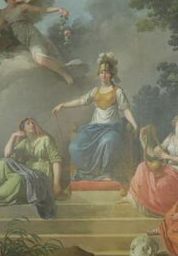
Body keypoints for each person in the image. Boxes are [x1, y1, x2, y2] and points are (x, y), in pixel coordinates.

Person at [53, 53, 138, 182]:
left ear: (111, 74)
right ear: (99, 74)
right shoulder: (95, 91)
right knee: (74, 147)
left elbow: (125, 109)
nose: (104, 75)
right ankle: (85, 173)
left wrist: (135, 124)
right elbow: (81, 101)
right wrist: (63, 105)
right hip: (93, 129)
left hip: (111, 129)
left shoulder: (117, 91)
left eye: (107, 72)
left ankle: (105, 173)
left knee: (108, 142)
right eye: (101, 72)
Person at [0, 117, 60, 215]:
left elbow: (56, 161)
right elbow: (7, 155)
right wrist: (13, 136)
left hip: (41, 177)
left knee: (18, 178)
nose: (31, 125)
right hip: (28, 173)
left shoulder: (45, 139)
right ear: (23, 129)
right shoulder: (25, 143)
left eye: (33, 123)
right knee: (2, 162)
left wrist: (56, 184)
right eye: (28, 123)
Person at [124, 116, 178, 217]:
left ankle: (153, 207)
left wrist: (168, 156)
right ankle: (132, 197)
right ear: (175, 123)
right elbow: (154, 153)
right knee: (142, 167)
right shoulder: (170, 138)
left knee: (161, 185)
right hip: (168, 170)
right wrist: (142, 140)